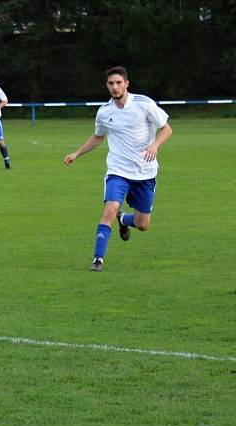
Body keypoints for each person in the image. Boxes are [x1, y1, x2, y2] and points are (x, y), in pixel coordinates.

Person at [63, 66, 172, 272]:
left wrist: (154, 145)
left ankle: (123, 219)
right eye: (111, 84)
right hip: (118, 171)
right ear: (107, 86)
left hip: (145, 173)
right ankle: (98, 259)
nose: (115, 87)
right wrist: (77, 153)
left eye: (118, 83)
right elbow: (98, 136)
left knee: (142, 224)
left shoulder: (143, 104)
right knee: (109, 209)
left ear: (126, 84)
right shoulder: (104, 112)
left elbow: (166, 128)